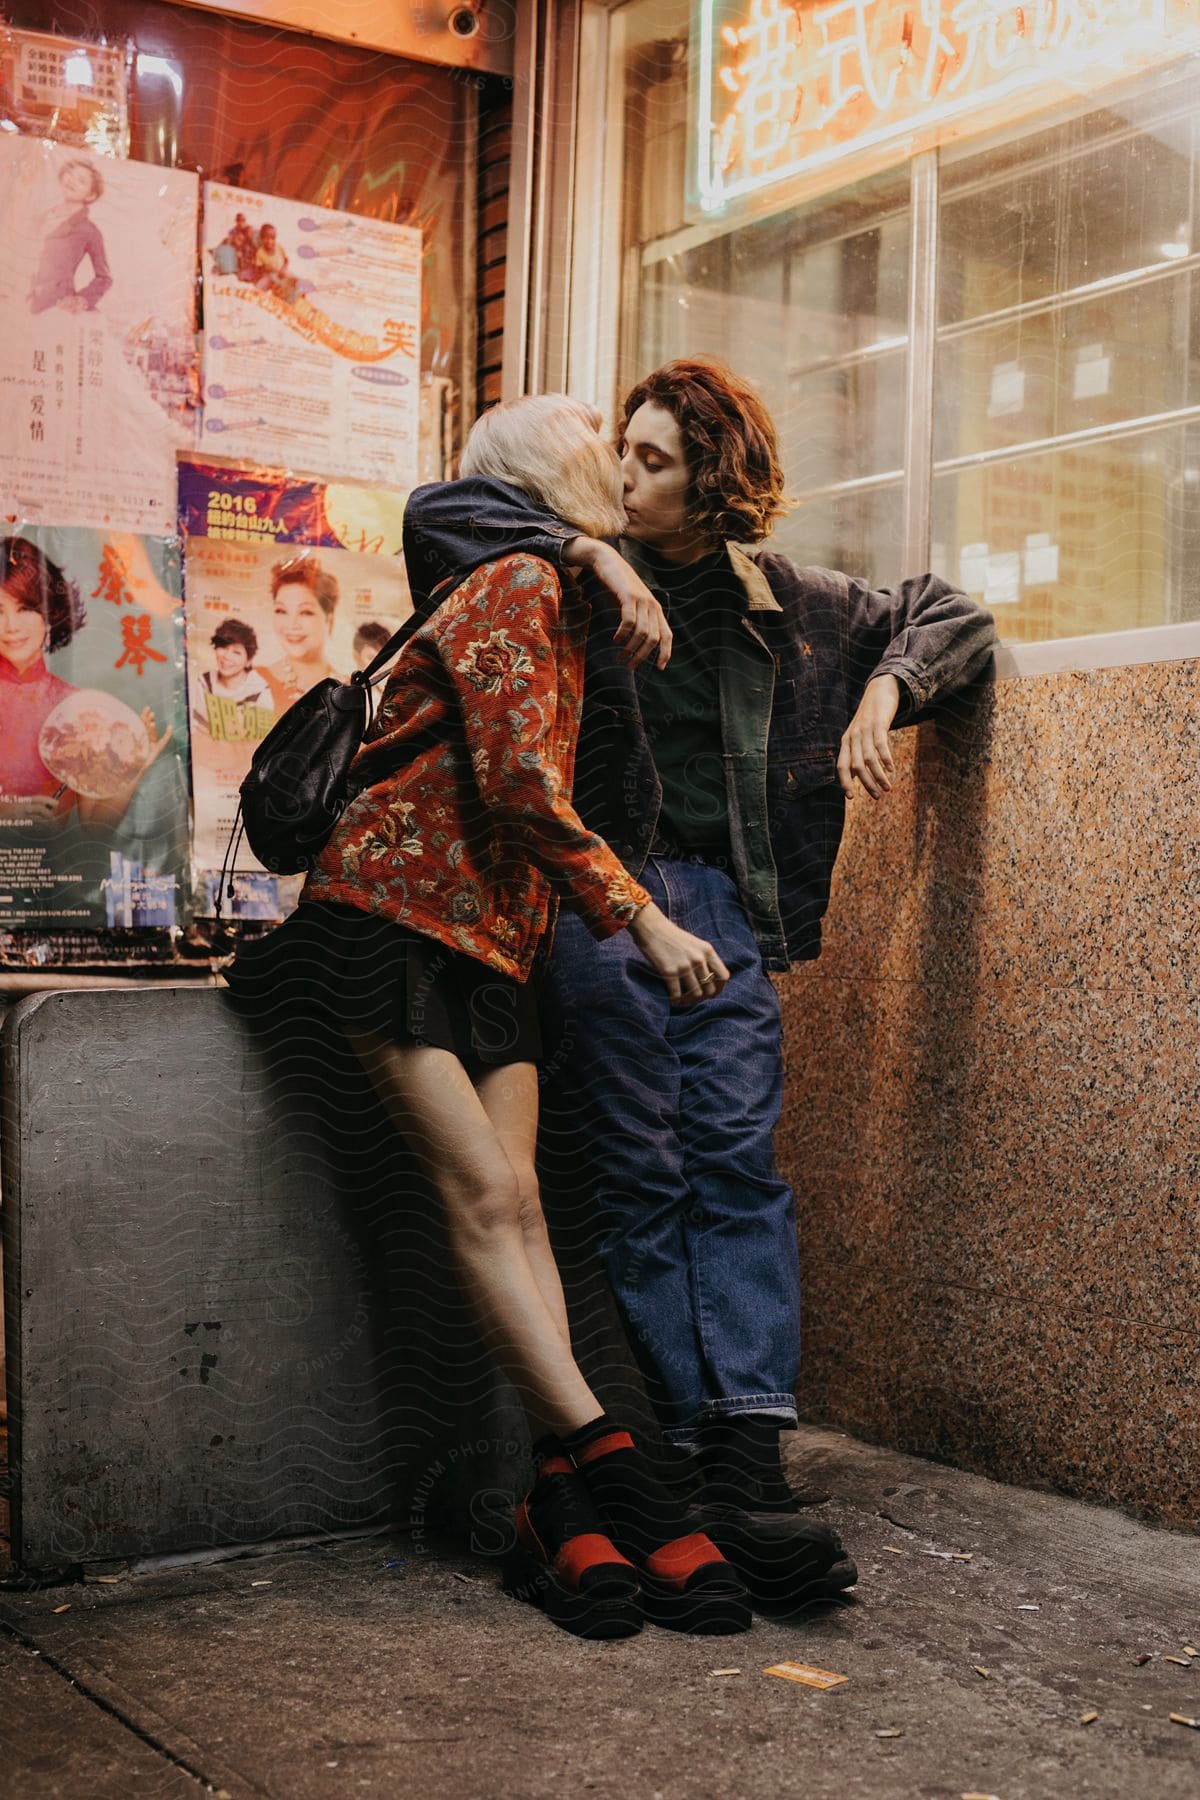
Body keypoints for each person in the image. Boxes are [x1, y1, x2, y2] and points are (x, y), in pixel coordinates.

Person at [400, 357, 998, 1609]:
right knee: (641, 1161)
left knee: (733, 1160)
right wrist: (598, 555)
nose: (624, 473)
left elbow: (951, 611)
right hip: (601, 895)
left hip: (723, 904)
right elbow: (441, 510)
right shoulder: (554, 565)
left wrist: (885, 692)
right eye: (622, 448)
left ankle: (744, 1453)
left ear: (714, 480)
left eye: (655, 458)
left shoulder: (797, 603)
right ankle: (670, 1449)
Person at [229, 394, 770, 1640]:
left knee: (520, 1201)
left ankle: (554, 1506)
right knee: (482, 1196)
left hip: (492, 940)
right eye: (602, 441)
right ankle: (621, 1477)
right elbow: (523, 786)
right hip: (391, 920)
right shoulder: (520, 579)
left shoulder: (572, 597)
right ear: (552, 472)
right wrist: (645, 918)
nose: (620, 461)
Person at [0, 535, 171, 826]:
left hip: (51, 867)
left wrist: (132, 771)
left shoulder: (76, 708)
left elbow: (94, 830)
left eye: (25, 608)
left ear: (49, 612)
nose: (11, 627)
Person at [29, 158, 112, 315]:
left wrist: (80, 300)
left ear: (91, 195)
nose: (72, 181)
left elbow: (104, 278)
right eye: (70, 174)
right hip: (22, 299)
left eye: (81, 181)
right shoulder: (40, 216)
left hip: (56, 306)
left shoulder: (89, 231)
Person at [259, 555, 341, 712]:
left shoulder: (348, 688)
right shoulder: (253, 681)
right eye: (281, 611)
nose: (291, 624)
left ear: (328, 619)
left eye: (305, 612)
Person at [192, 618, 273, 737]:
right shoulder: (204, 683)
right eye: (223, 647)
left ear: (248, 661)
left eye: (236, 652)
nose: (227, 656)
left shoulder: (260, 691)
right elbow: (196, 729)